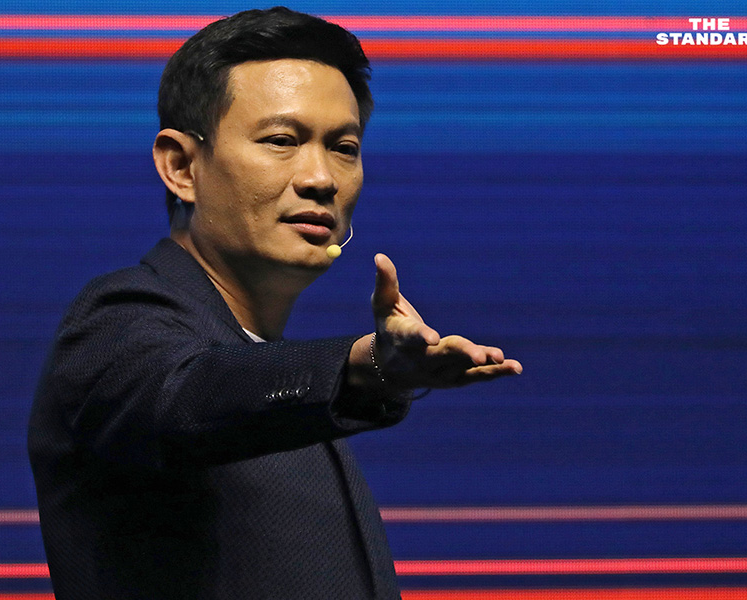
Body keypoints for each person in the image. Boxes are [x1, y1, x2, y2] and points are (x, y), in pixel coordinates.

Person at [28, 7, 522, 599]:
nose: (321, 178)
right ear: (182, 167)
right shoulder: (118, 319)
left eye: (344, 147)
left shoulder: (280, 382)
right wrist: (361, 368)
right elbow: (185, 397)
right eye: (282, 141)